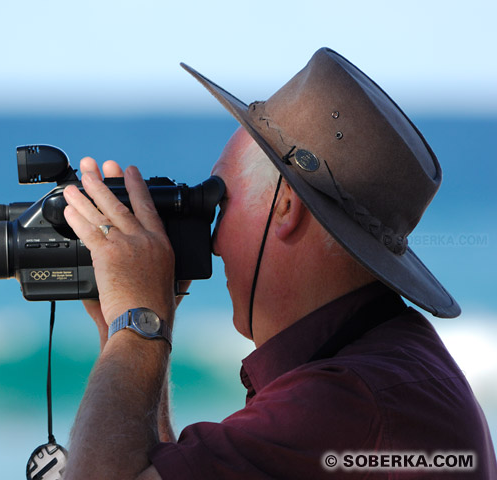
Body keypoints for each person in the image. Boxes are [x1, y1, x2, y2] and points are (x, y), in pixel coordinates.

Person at [60, 48, 497, 479]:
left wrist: (138, 322)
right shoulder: (381, 368)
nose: (212, 241)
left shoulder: (342, 403)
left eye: (221, 200)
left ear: (285, 207)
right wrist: (123, 328)